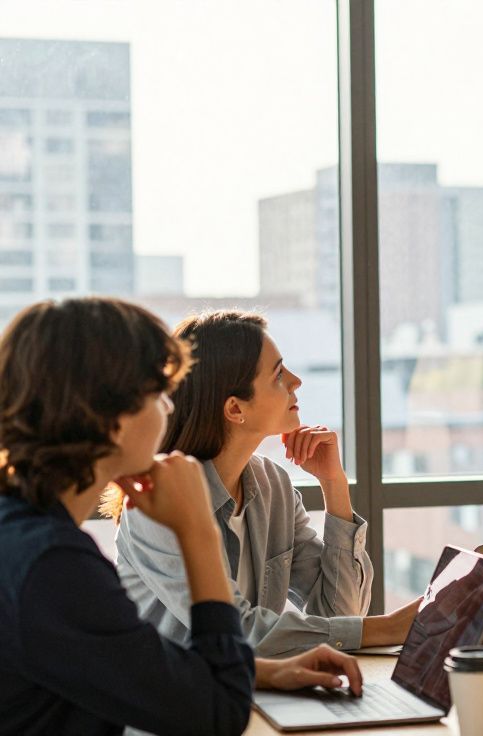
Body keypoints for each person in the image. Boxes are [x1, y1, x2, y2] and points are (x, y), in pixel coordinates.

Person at [0, 297, 362, 735]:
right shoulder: (54, 567)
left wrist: (265, 672)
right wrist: (197, 533)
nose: (170, 407)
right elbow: (218, 712)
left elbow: (133, 666)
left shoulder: (26, 541)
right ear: (110, 418)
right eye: (157, 393)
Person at [111, 310, 419, 657]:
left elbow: (339, 613)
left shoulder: (274, 486)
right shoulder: (157, 505)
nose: (296, 381)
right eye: (278, 375)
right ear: (235, 408)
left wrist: (334, 485)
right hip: (176, 705)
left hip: (255, 692)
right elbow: (238, 630)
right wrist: (389, 628)